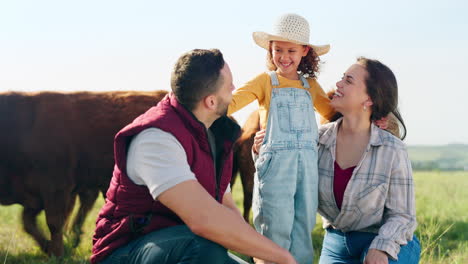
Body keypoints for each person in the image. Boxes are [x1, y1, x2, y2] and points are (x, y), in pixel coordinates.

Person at [90, 49, 298, 264]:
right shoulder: (156, 138)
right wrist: (284, 258)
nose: (234, 89)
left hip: (183, 246)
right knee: (204, 247)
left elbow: (226, 209)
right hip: (127, 252)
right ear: (210, 102)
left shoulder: (216, 134)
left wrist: (261, 256)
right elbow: (203, 220)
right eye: (229, 86)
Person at [255, 57, 421, 264]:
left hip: (387, 241)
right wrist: (265, 150)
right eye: (342, 78)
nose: (338, 84)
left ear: (369, 99)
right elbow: (281, 182)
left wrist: (380, 249)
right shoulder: (313, 141)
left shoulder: (392, 149)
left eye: (348, 81)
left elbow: (403, 215)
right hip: (337, 244)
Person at [227, 13, 335, 264]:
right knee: (274, 227)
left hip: (307, 168)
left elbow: (331, 115)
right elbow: (231, 104)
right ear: (270, 49)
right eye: (278, 50)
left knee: (303, 226)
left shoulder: (311, 86)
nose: (284, 57)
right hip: (276, 166)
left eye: (291, 51)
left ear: (304, 51)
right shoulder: (265, 81)